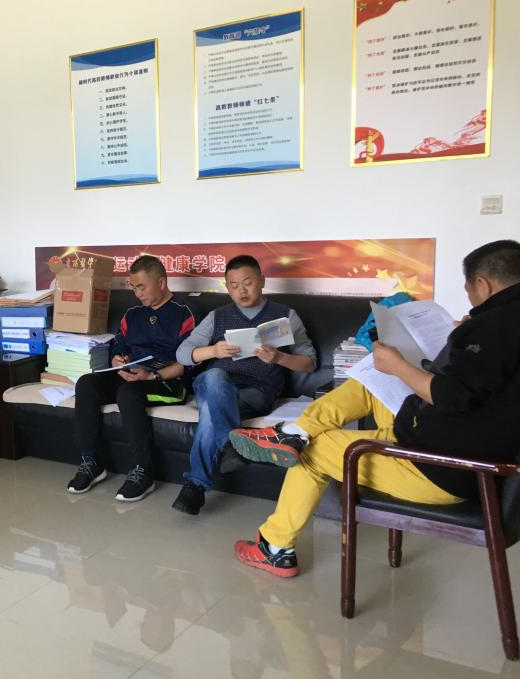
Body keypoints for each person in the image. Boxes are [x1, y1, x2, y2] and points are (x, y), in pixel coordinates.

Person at [231, 240, 520, 577]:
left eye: (468, 290)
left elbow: (452, 396)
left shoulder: (493, 327)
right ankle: (294, 431)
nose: (470, 298)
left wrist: (399, 365)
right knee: (372, 381)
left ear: (483, 284)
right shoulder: (503, 323)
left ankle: (274, 547)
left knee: (312, 450)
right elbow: (478, 385)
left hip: (440, 466)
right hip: (439, 439)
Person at [173, 256, 316, 515]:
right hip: (213, 385)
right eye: (234, 285)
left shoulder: (285, 316)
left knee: (211, 415)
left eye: (248, 283)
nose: (242, 290)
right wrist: (213, 351)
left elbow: (309, 363)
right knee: (215, 377)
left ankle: (196, 484)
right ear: (227, 287)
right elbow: (183, 354)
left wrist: (279, 358)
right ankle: (229, 447)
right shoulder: (217, 317)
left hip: (257, 391)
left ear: (262, 281)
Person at [67, 255, 200, 502]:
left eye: (142, 287)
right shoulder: (132, 314)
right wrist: (117, 360)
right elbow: (119, 345)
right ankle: (90, 461)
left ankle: (143, 471)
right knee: (86, 384)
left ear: (162, 282)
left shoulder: (185, 313)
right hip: (133, 374)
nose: (137, 294)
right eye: (133, 288)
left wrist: (153, 375)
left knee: (128, 393)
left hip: (169, 382)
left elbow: (191, 360)